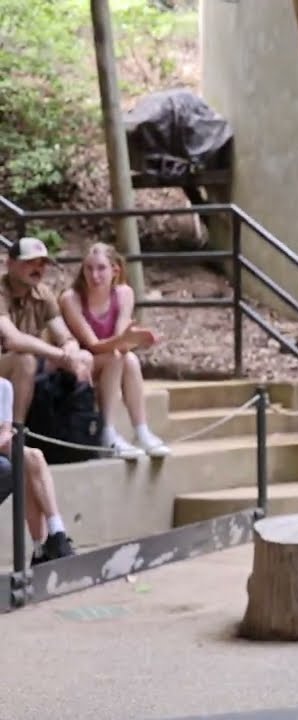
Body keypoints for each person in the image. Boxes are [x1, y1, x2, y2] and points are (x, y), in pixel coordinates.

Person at [57, 242, 169, 459]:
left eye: (101, 268)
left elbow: (120, 340)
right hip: (79, 364)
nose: (94, 275)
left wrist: (135, 340)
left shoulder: (124, 293)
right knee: (116, 357)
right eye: (89, 269)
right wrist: (125, 340)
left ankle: (142, 430)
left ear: (115, 270)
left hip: (109, 360)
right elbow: (92, 344)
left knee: (130, 360)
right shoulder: (70, 299)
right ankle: (107, 432)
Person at [0, 236, 94, 424]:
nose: (38, 269)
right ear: (10, 264)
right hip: (8, 360)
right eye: (30, 262)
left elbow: (64, 335)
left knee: (84, 358)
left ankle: (81, 430)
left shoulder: (43, 293)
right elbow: (13, 340)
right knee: (25, 361)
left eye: (42, 263)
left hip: (30, 362)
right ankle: (16, 437)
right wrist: (60, 355)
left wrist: (70, 349)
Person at [0, 377, 75, 564]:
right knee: (11, 465)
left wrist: (6, 438)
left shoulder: (4, 387)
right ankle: (42, 550)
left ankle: (52, 538)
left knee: (33, 458)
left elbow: (5, 432)